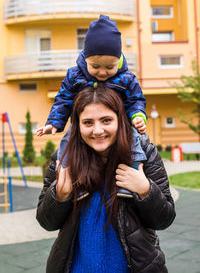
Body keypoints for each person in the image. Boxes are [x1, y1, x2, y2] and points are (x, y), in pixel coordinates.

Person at [36, 85, 175, 273]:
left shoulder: (143, 154)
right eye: (88, 123)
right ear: (78, 125)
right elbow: (46, 222)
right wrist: (59, 195)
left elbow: (164, 219)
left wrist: (145, 190)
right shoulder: (64, 159)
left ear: (120, 120)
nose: (98, 130)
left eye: (106, 120)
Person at [36, 14, 147, 197]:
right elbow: (63, 99)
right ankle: (69, 178)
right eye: (95, 67)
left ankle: (132, 178)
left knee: (134, 140)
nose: (102, 73)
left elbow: (136, 100)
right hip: (79, 126)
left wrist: (137, 117)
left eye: (109, 67)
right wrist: (54, 122)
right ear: (85, 59)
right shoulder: (75, 76)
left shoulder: (126, 78)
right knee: (68, 140)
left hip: (122, 126)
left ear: (118, 60)